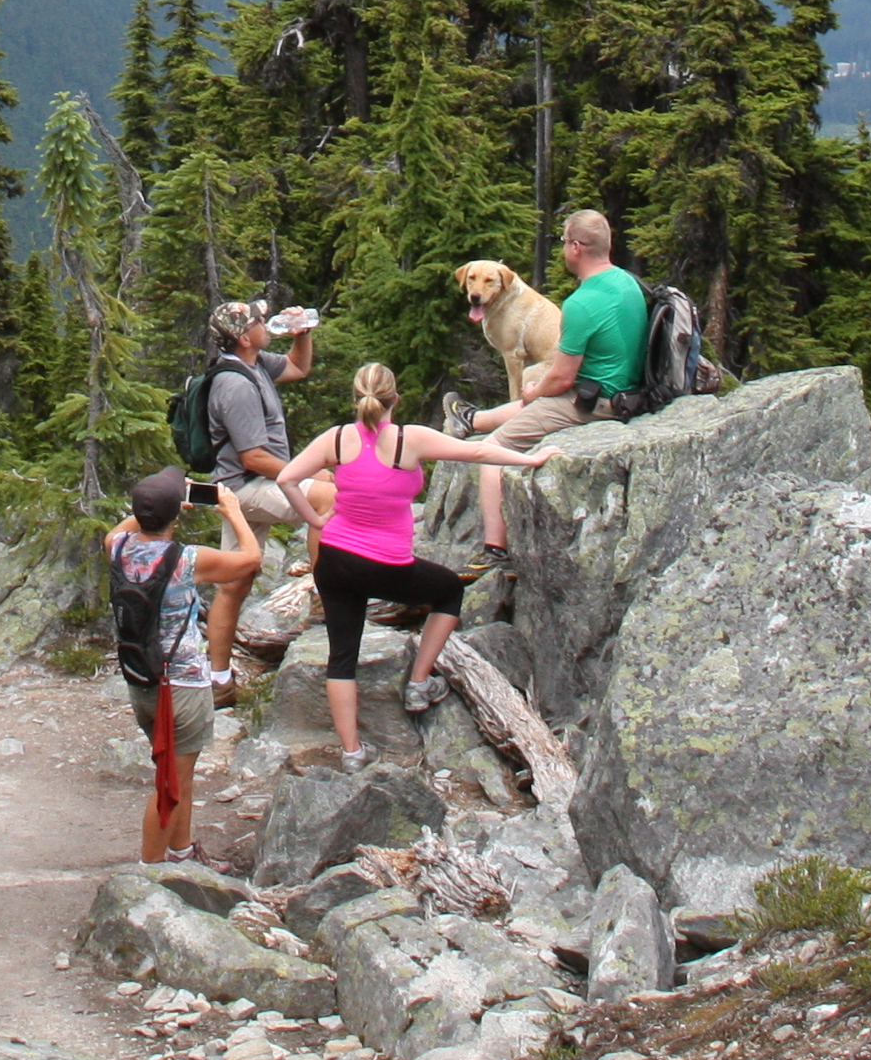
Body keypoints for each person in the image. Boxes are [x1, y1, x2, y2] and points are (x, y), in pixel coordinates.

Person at [271, 364, 549, 761]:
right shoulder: (409, 439)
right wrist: (534, 460)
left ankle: (352, 752)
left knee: (342, 655)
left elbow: (286, 479)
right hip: (386, 564)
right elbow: (479, 450)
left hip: (333, 560)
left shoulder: (335, 439)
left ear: (356, 399)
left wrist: (315, 520)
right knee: (449, 590)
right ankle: (419, 682)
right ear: (394, 399)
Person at [471, 210, 646, 566]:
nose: (564, 249)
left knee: (490, 452)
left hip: (595, 401)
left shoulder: (581, 303)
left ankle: (493, 550)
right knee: (531, 398)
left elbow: (562, 379)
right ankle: (473, 421)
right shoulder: (628, 282)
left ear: (577, 248)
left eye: (565, 242)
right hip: (628, 388)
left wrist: (533, 390)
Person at [107, 466, 259, 865]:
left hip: (142, 681)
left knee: (180, 774)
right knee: (170, 784)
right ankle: (149, 874)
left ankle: (181, 852)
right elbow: (250, 558)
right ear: (176, 516)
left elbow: (128, 526)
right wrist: (231, 509)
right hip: (183, 689)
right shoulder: (187, 560)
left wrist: (152, 508)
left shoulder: (117, 547)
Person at [202, 298, 321, 556]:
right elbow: (253, 458)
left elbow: (298, 367)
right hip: (247, 486)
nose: (265, 323)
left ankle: (230, 592)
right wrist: (308, 474)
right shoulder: (236, 385)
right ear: (244, 339)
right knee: (329, 499)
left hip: (248, 483)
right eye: (258, 321)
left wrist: (301, 333)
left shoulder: (255, 362)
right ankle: (324, 588)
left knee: (239, 572)